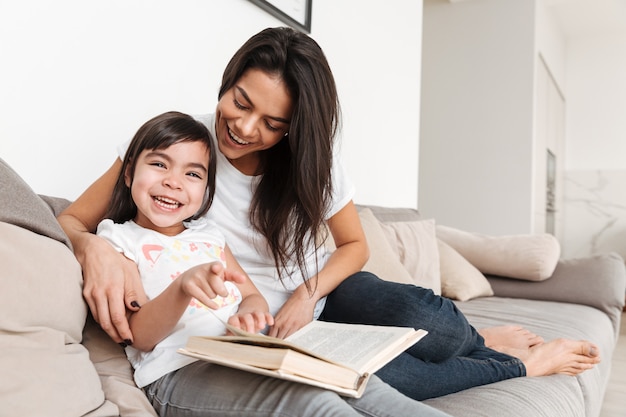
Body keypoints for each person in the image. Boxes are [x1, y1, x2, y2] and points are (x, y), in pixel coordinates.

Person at [58, 26, 600, 409]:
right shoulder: (186, 148)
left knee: (428, 318)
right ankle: (518, 362)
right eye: (239, 101)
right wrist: (96, 248)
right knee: (397, 378)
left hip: (323, 293)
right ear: (227, 81)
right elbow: (70, 220)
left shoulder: (312, 164)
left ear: (294, 128)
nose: (245, 129)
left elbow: (354, 247)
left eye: (272, 123)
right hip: (258, 328)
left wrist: (301, 297)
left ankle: (481, 339)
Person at [95, 111, 274, 390]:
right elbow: (139, 335)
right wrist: (182, 287)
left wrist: (248, 315)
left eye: (192, 173)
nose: (173, 182)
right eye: (159, 164)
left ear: (206, 188)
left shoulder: (210, 235)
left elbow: (252, 296)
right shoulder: (119, 239)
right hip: (177, 369)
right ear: (129, 173)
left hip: (238, 356)